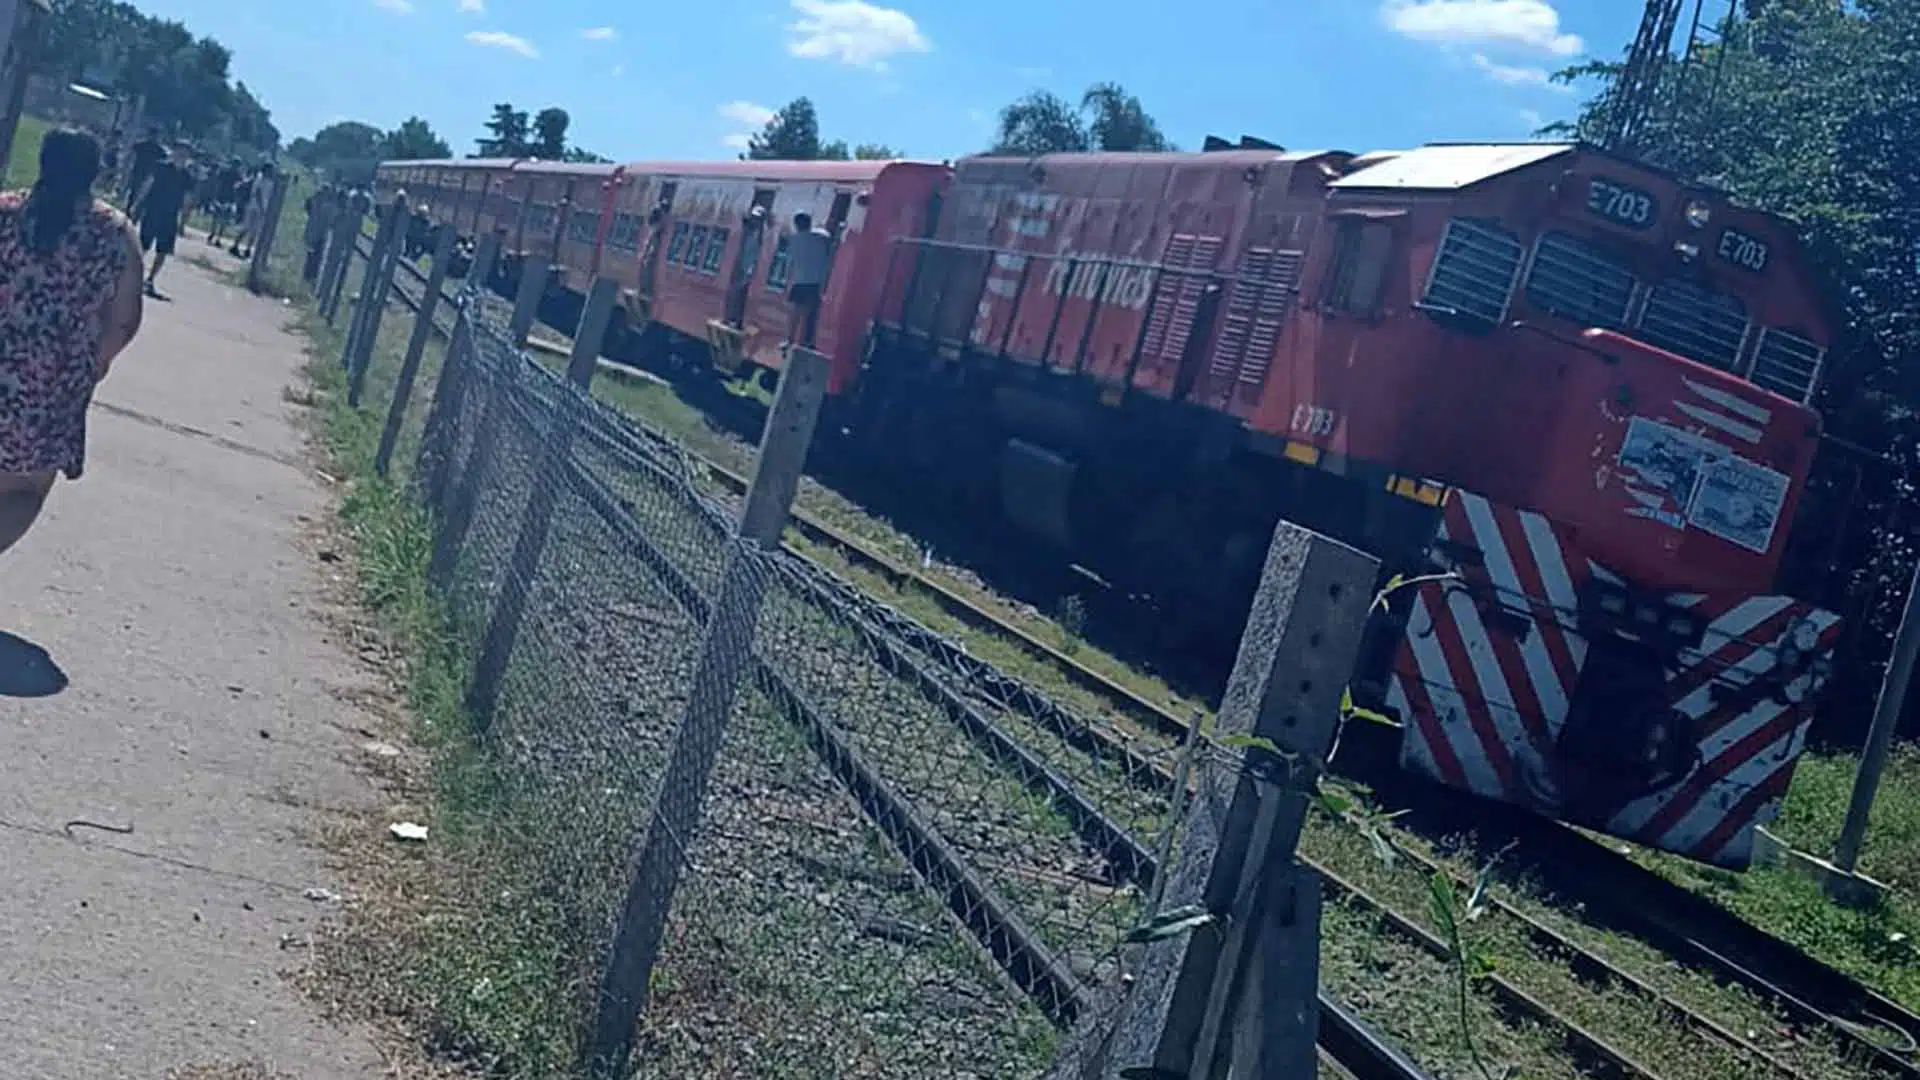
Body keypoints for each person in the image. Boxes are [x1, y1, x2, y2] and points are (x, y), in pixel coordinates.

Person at [0, 129, 146, 557]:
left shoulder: (5, 212)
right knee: (24, 489)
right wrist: (96, 361)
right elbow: (125, 318)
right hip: (54, 380)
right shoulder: (115, 233)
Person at [133, 151, 192, 296]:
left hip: (170, 216)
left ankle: (150, 279)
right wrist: (137, 204)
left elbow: (187, 199)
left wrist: (183, 220)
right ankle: (133, 275)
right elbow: (147, 184)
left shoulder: (187, 177)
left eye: (185, 154)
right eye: (180, 152)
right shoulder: (161, 167)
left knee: (162, 251)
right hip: (153, 211)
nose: (181, 157)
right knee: (143, 246)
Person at [784, 211, 833, 349]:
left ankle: (790, 339)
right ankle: (807, 340)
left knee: (795, 312)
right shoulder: (819, 237)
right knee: (810, 312)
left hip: (800, 281)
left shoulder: (794, 240)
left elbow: (790, 262)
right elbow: (827, 239)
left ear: (796, 225)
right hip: (815, 282)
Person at [232, 163, 275, 260]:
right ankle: (236, 245)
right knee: (246, 227)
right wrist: (262, 207)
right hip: (254, 206)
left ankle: (248, 249)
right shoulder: (259, 178)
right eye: (270, 170)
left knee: (255, 230)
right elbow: (257, 192)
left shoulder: (270, 182)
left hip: (262, 208)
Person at [302, 184, 338, 283]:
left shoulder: (325, 205)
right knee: (312, 255)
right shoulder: (318, 203)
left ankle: (310, 276)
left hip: (319, 233)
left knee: (315, 256)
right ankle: (308, 275)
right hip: (316, 232)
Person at [124, 127, 164, 208]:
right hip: (138, 171)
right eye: (152, 134)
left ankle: (135, 210)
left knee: (143, 195)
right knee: (133, 193)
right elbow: (131, 156)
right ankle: (129, 209)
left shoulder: (160, 151)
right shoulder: (140, 145)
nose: (153, 137)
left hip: (149, 175)